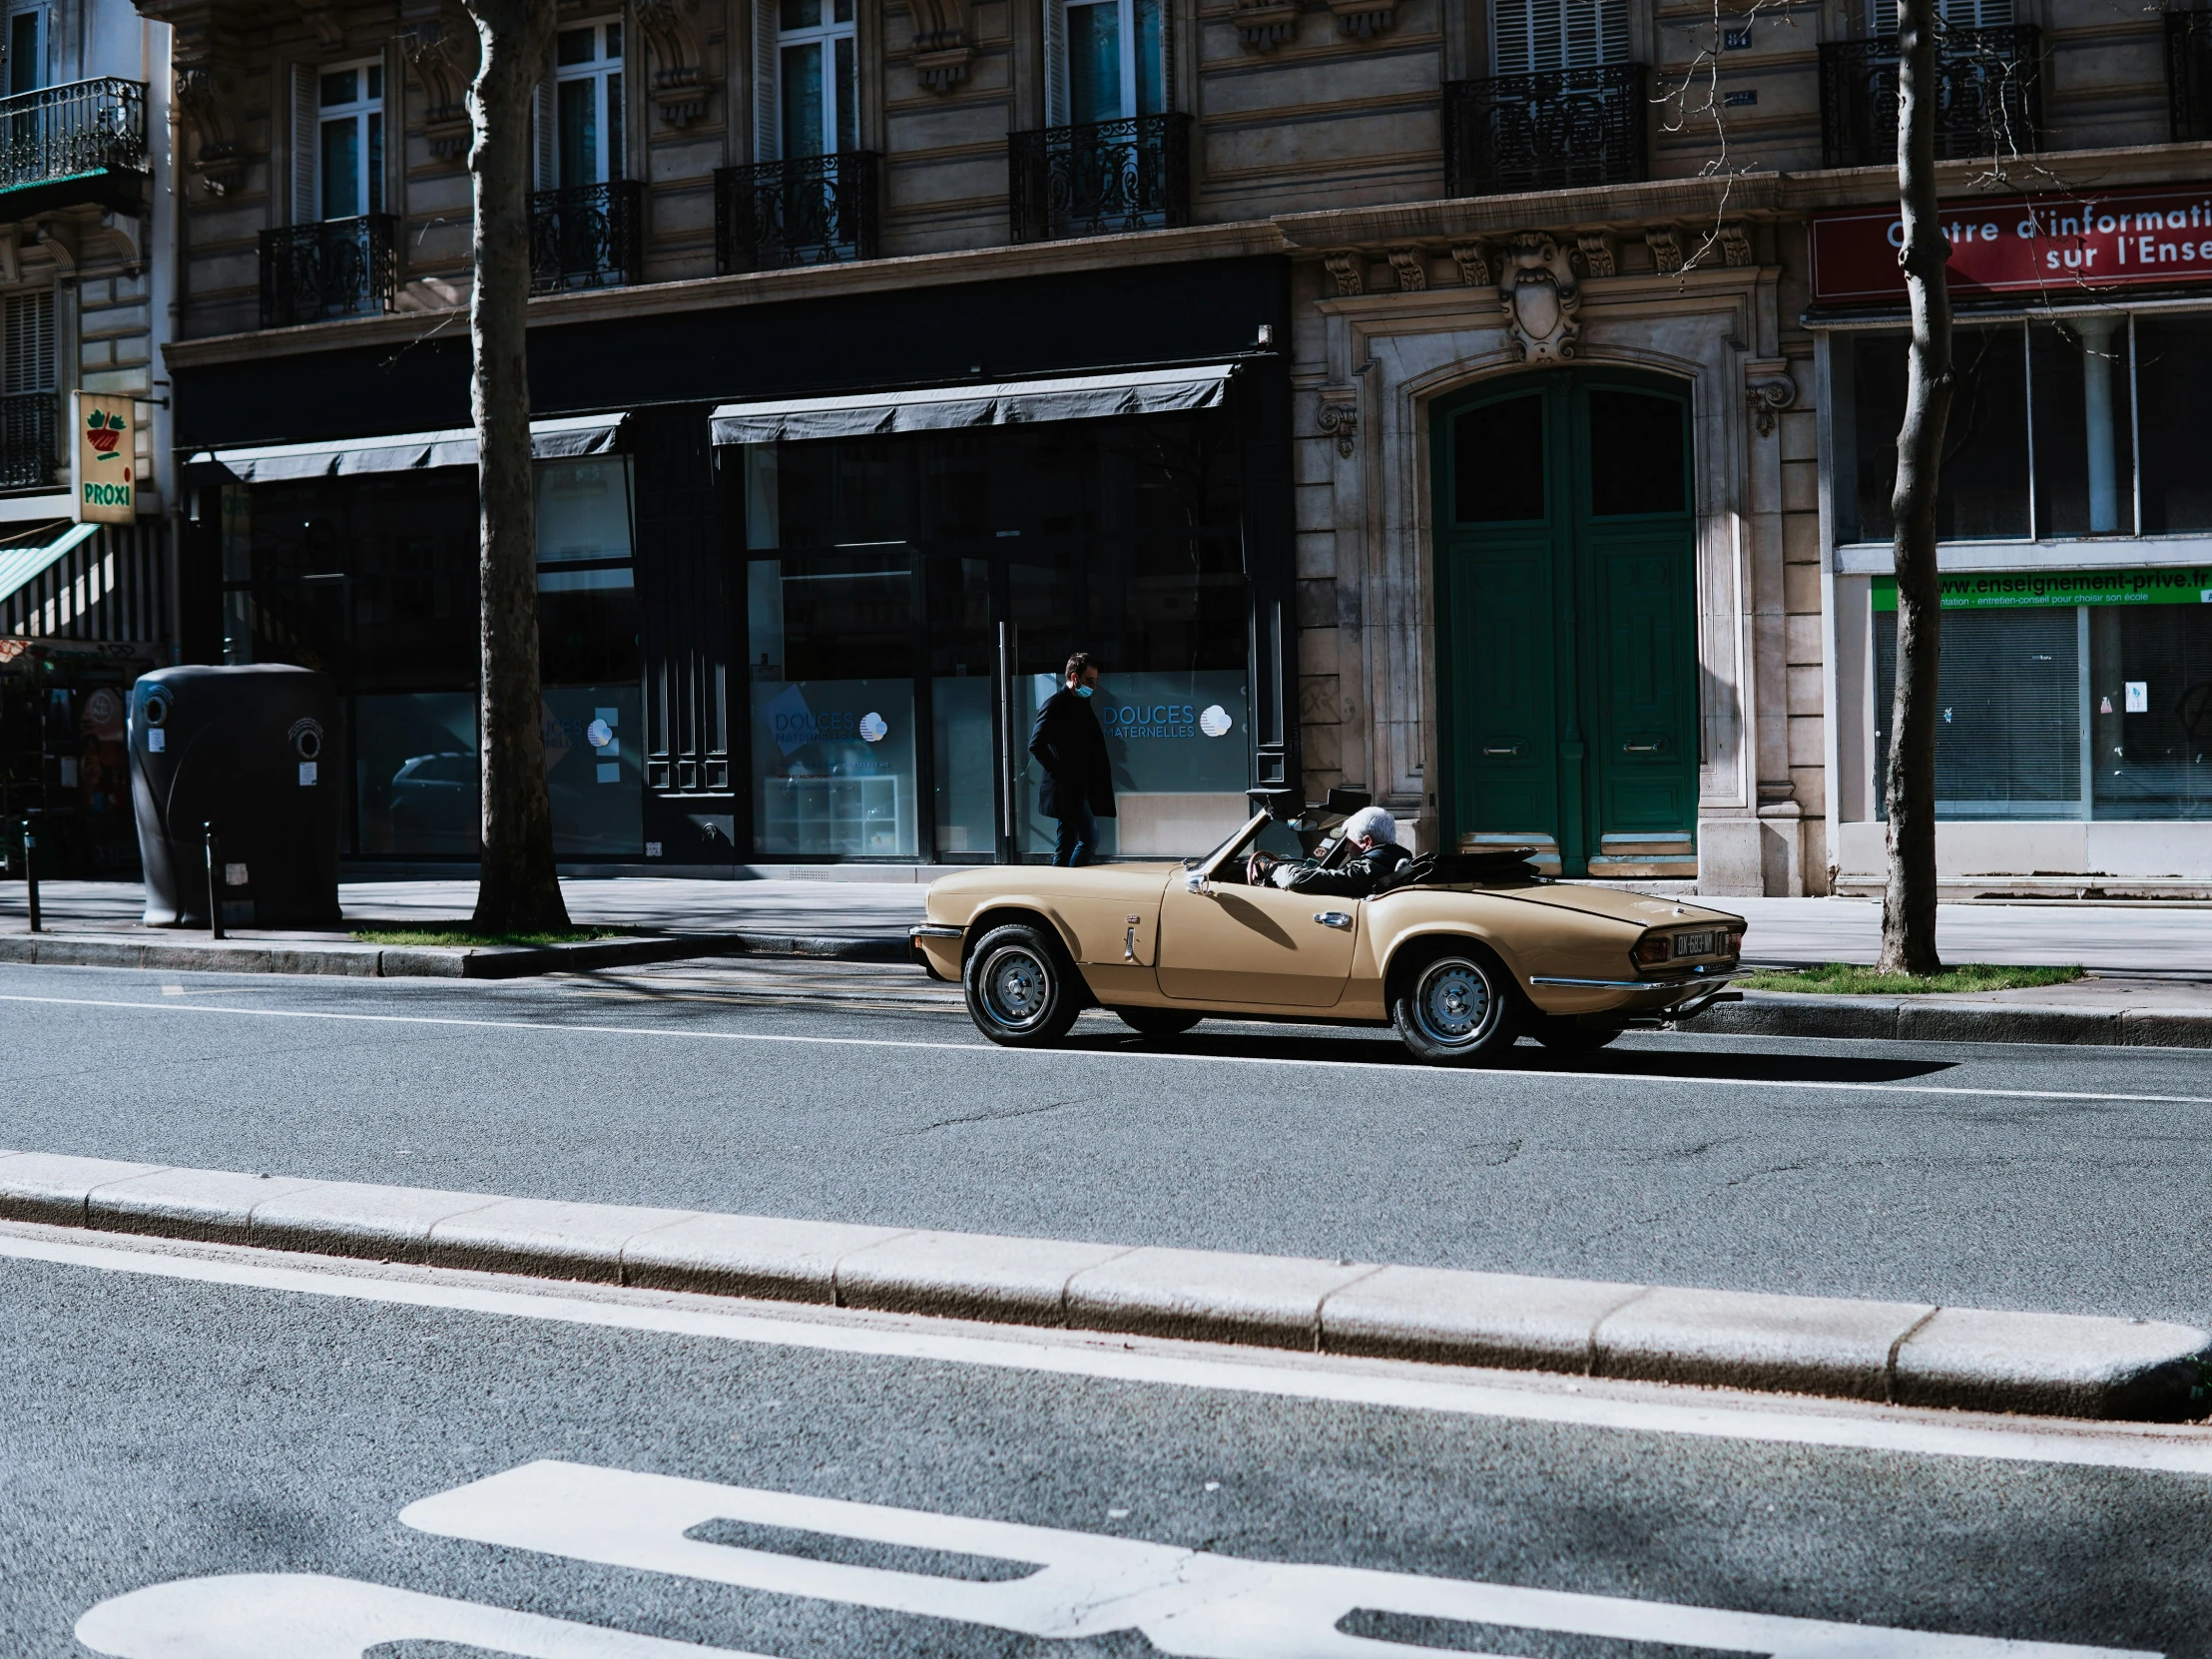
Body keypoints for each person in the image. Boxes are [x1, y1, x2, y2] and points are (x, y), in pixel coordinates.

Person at [1028, 651, 1116, 866]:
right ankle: (1074, 884)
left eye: (1095, 681)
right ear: (1075, 678)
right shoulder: (1055, 704)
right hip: (1068, 789)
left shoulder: (1080, 703)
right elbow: (1036, 745)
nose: (1094, 686)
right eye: (1090, 680)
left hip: (1079, 785)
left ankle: (1059, 887)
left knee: (1066, 842)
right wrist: (1061, 774)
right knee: (1089, 839)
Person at [1247, 806, 1410, 897]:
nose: (1346, 849)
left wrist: (1268, 867)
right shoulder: (1392, 862)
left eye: (1348, 842)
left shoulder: (1368, 870)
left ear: (1367, 842)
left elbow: (1296, 879)